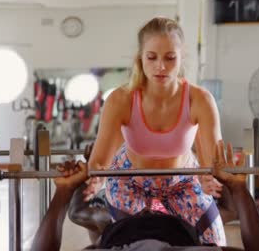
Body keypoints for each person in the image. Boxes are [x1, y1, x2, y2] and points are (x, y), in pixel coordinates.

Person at [85, 17, 226, 245]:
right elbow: (99, 161)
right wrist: (95, 180)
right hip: (129, 182)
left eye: (170, 58)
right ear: (141, 58)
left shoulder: (200, 100)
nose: (161, 66)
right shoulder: (121, 99)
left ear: (181, 59)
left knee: (215, 243)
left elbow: (211, 165)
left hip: (182, 180)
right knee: (131, 243)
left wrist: (210, 180)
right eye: (152, 57)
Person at [31, 141, 259, 251]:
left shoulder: (110, 229)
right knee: (221, 214)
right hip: (178, 228)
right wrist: (237, 189)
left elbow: (78, 213)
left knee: (93, 221)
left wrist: (66, 189)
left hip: (125, 228)